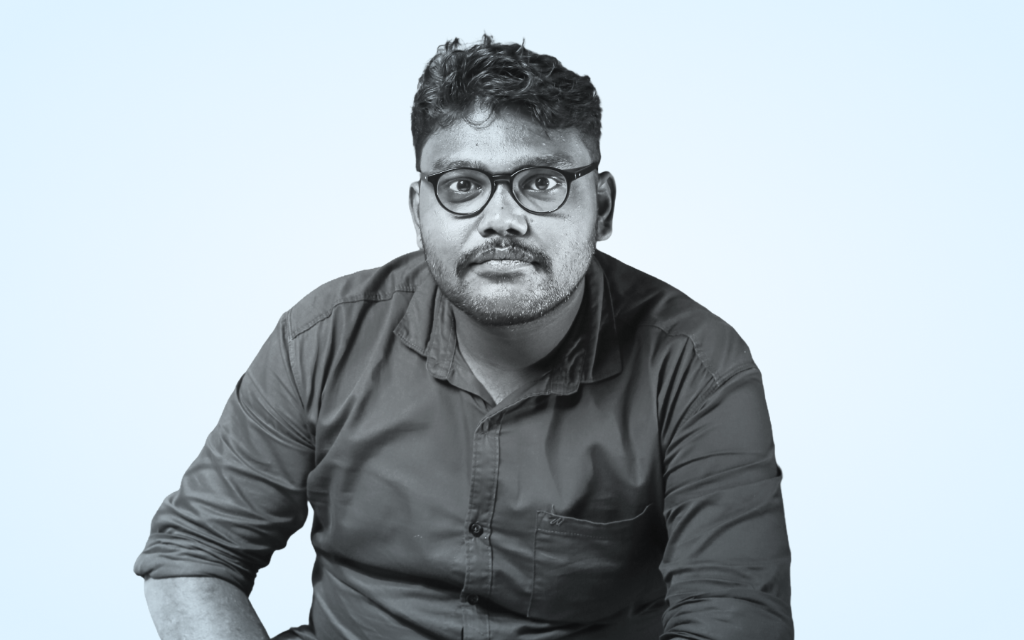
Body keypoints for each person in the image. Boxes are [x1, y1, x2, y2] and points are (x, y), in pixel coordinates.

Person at [136, 35, 793, 640]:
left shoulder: (697, 367)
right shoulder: (323, 337)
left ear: (602, 206)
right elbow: (194, 555)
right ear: (419, 210)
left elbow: (733, 618)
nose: (502, 220)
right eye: (463, 185)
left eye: (542, 183)